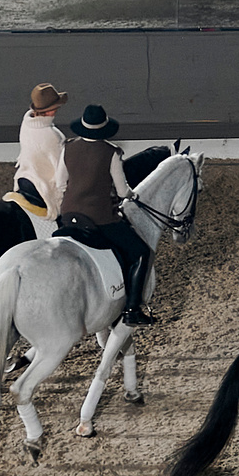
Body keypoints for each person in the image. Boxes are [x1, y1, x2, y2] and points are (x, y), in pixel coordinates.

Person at [56, 104, 156, 326]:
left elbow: (60, 183)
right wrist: (132, 195)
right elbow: (122, 191)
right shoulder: (111, 152)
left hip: (69, 214)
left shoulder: (68, 147)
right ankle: (132, 309)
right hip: (99, 218)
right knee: (141, 252)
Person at [14, 83, 69, 213]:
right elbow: (60, 172)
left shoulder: (27, 123)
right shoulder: (52, 136)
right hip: (42, 186)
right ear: (52, 109)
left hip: (24, 178)